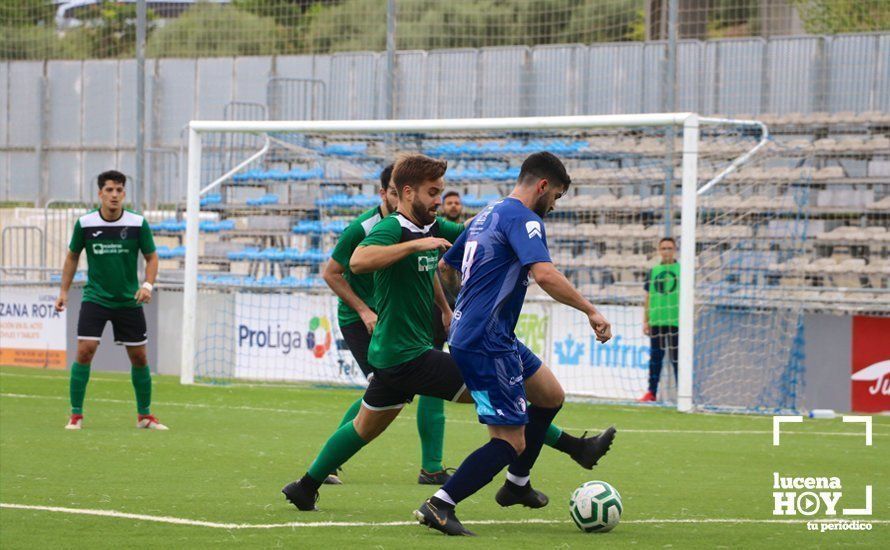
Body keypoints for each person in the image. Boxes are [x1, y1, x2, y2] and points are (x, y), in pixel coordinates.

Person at [281, 154, 610, 514]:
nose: (439, 200)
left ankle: (305, 486)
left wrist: (447, 307)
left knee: (365, 426)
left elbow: (452, 256)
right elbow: (356, 262)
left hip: (400, 351)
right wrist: (413, 247)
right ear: (407, 193)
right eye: (433, 192)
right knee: (504, 400)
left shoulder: (432, 226)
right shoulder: (392, 228)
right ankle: (555, 456)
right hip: (408, 354)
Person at [414, 152, 614, 536]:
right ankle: (440, 504)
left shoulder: (487, 214)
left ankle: (517, 484)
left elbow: (446, 265)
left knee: (550, 395)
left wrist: (461, 308)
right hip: (486, 340)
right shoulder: (525, 218)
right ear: (542, 186)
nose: (554, 204)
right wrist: (590, 310)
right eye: (555, 195)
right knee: (510, 441)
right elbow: (544, 274)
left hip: (489, 334)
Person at [322, 163, 451, 485]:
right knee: (381, 390)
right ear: (387, 193)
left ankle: (431, 467)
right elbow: (332, 273)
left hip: (396, 319)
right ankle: (322, 468)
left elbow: (425, 268)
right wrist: (365, 311)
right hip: (361, 318)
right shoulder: (364, 228)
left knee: (409, 388)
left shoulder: (417, 224)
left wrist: (445, 308)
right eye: (394, 194)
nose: (399, 200)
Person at [55, 170, 167, 431]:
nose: (114, 195)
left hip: (128, 301)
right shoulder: (85, 224)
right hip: (96, 298)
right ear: (100, 194)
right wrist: (63, 291)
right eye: (109, 190)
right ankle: (75, 415)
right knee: (85, 350)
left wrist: (148, 285)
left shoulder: (138, 223)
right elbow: (72, 256)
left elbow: (152, 257)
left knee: (139, 357)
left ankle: (144, 416)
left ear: (124, 193)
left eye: (119, 190)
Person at [639, 237, 679, 402]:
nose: (666, 251)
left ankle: (683, 394)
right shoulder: (653, 271)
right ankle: (651, 393)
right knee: (655, 360)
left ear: (675, 250)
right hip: (656, 321)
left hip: (676, 321)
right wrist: (646, 320)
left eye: (669, 248)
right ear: (659, 251)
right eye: (663, 248)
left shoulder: (682, 269)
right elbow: (648, 296)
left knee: (678, 359)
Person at [432, 190, 464, 350]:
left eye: (456, 203)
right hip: (436, 304)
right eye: (449, 203)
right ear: (443, 207)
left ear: (462, 207)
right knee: (432, 350)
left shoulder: (467, 234)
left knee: (460, 352)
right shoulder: (436, 233)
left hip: (461, 303)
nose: (453, 206)